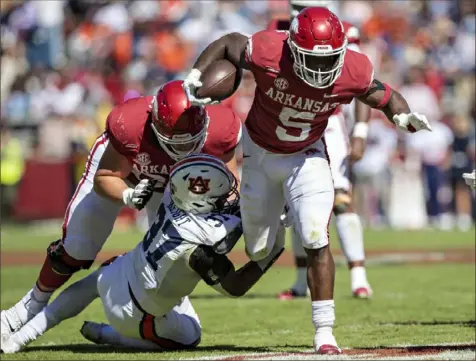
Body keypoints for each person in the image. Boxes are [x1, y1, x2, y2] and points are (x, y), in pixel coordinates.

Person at [182, 6, 432, 354]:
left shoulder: (352, 69)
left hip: (306, 155)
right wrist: (195, 74)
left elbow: (385, 96)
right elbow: (227, 44)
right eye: (309, 60)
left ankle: (324, 332)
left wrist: (403, 116)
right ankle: (276, 218)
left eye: (328, 60)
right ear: (292, 47)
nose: (319, 69)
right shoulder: (270, 49)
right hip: (259, 154)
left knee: (316, 235)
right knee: (259, 249)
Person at [1, 80, 242, 339]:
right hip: (124, 174)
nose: (184, 149)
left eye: (191, 141)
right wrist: (128, 195)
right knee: (77, 247)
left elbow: (228, 181)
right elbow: (105, 176)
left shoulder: (221, 127)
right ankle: (28, 306)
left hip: (173, 186)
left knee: (174, 255)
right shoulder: (130, 124)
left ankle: (135, 313)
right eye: (176, 142)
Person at [1, 154, 285, 354]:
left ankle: (20, 338)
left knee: (93, 284)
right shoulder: (204, 240)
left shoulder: (172, 196)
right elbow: (234, 286)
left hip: (117, 273)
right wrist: (271, 251)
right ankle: (111, 336)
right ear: (203, 199)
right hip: (135, 314)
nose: (228, 197)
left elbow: (215, 215)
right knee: (191, 336)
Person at [270, 0, 373, 301]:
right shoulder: (277, 30)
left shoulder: (341, 31)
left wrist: (361, 131)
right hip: (289, 121)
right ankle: (302, 280)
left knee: (341, 199)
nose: (297, 11)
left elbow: (362, 82)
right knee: (297, 203)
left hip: (328, 121)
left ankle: (359, 277)